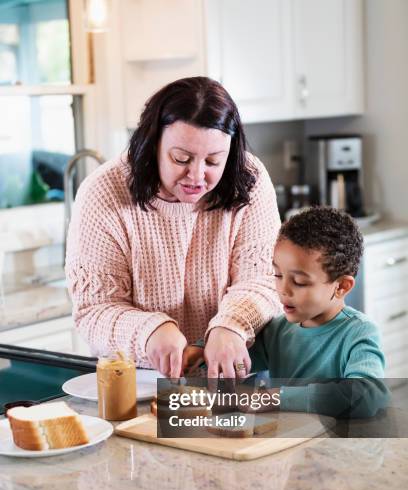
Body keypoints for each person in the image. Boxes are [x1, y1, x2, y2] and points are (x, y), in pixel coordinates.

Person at [65, 77, 281, 378]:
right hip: (140, 382)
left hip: (233, 375)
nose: (196, 175)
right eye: (181, 158)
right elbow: (94, 310)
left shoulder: (250, 177)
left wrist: (232, 324)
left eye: (213, 161)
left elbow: (263, 279)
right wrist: (151, 331)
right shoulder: (103, 193)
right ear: (152, 143)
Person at [246, 207, 389, 418]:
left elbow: (365, 396)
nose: (283, 289)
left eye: (300, 282)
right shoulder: (277, 330)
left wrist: (279, 397)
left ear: (341, 286)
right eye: (277, 275)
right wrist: (200, 351)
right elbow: (234, 358)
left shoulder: (359, 333)